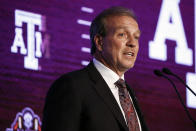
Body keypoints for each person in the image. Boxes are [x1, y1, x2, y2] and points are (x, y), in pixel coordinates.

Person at [42, 6, 148, 131]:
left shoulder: (128, 93)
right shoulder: (72, 86)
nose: (132, 43)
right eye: (122, 34)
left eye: (136, 37)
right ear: (99, 42)